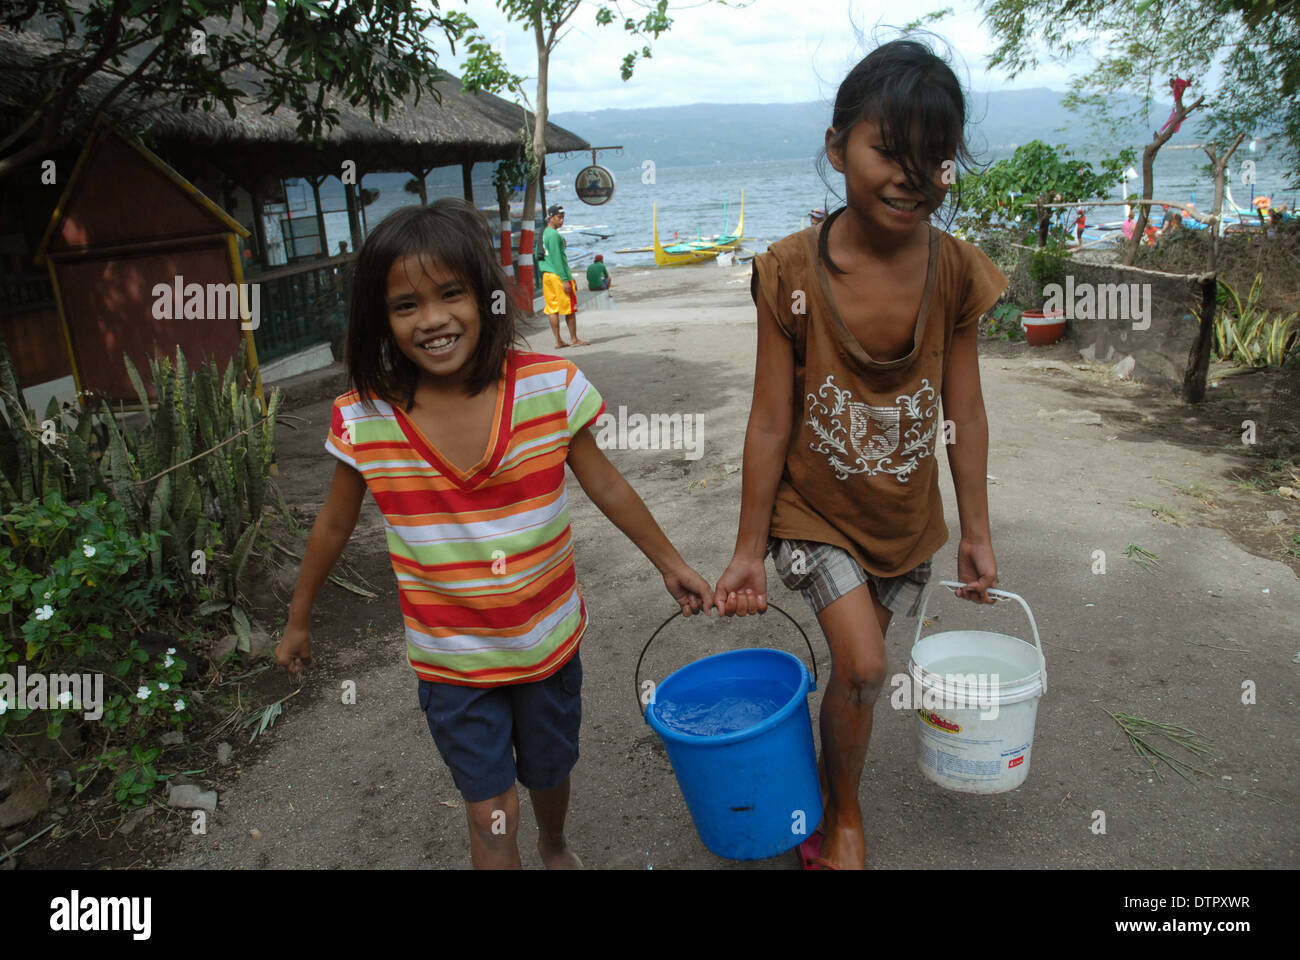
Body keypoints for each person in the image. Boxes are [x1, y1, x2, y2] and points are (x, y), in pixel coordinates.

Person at [274, 199, 714, 869]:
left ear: (487, 299)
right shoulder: (364, 418)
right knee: (489, 814)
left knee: (548, 774)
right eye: (405, 305)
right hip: (453, 662)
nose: (434, 319)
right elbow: (334, 521)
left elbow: (607, 484)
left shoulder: (549, 389)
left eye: (452, 294)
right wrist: (298, 617)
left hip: (547, 642)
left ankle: (556, 843)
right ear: (379, 321)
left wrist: (668, 561)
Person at [713, 39, 1006, 870]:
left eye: (933, 158)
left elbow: (966, 411)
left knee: (857, 680)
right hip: (815, 513)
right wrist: (747, 548)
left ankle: (825, 786)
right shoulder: (789, 274)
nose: (911, 175)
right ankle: (843, 815)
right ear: (838, 145)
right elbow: (770, 420)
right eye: (888, 150)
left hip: (904, 520)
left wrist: (977, 530)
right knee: (866, 659)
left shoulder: (954, 272)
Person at [539, 204, 587, 347]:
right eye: (559, 218)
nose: (562, 221)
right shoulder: (554, 235)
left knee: (552, 309)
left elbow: (538, 254)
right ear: (551, 217)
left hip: (546, 275)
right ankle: (574, 339)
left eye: (563, 218)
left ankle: (558, 340)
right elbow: (558, 260)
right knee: (569, 308)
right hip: (558, 275)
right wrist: (566, 279)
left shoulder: (544, 233)